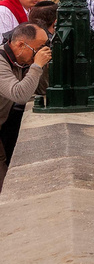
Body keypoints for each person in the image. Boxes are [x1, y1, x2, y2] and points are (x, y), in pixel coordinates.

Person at [1, 23, 51, 181]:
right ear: (21, 44)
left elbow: (41, 90)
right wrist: (37, 65)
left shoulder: (20, 62)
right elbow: (19, 94)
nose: (39, 53)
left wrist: (41, 65)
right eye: (38, 48)